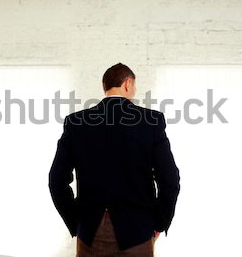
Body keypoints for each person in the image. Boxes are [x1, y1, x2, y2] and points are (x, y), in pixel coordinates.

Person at [49, 63, 180, 256]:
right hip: (137, 229)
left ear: (105, 86)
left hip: (91, 231)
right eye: (134, 86)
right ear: (127, 83)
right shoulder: (151, 121)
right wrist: (158, 223)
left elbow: (57, 180)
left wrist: (77, 221)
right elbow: (170, 180)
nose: (134, 91)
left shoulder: (76, 122)